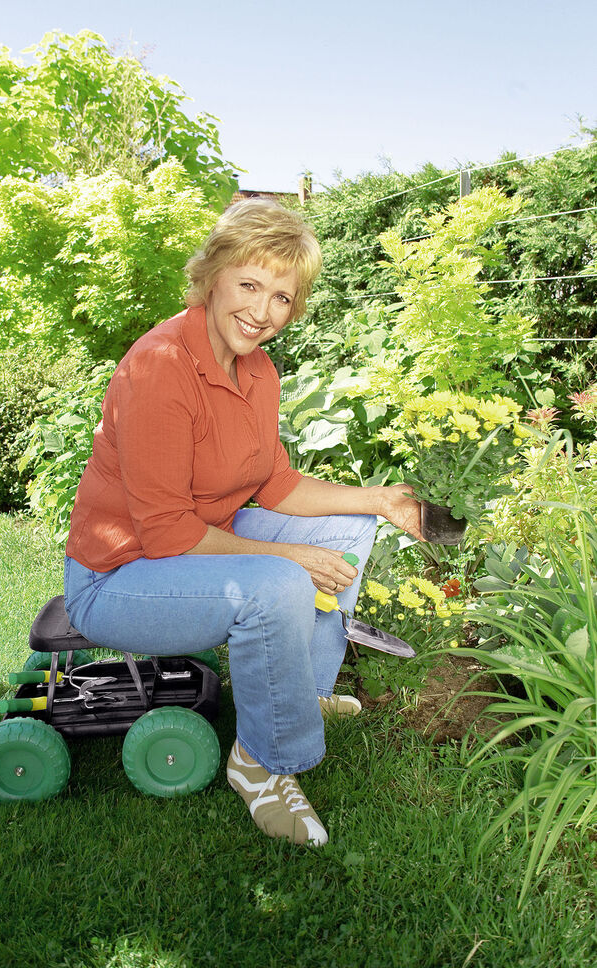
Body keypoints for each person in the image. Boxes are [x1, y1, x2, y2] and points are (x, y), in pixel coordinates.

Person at [64, 198, 422, 846]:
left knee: (348, 533)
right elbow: (167, 532)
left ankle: (299, 695)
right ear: (213, 275)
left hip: (193, 542)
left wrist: (378, 500)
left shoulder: (258, 371)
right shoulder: (160, 368)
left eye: (282, 297)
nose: (262, 312)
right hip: (119, 575)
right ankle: (259, 764)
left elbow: (275, 483)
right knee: (279, 584)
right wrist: (285, 561)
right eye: (250, 285)